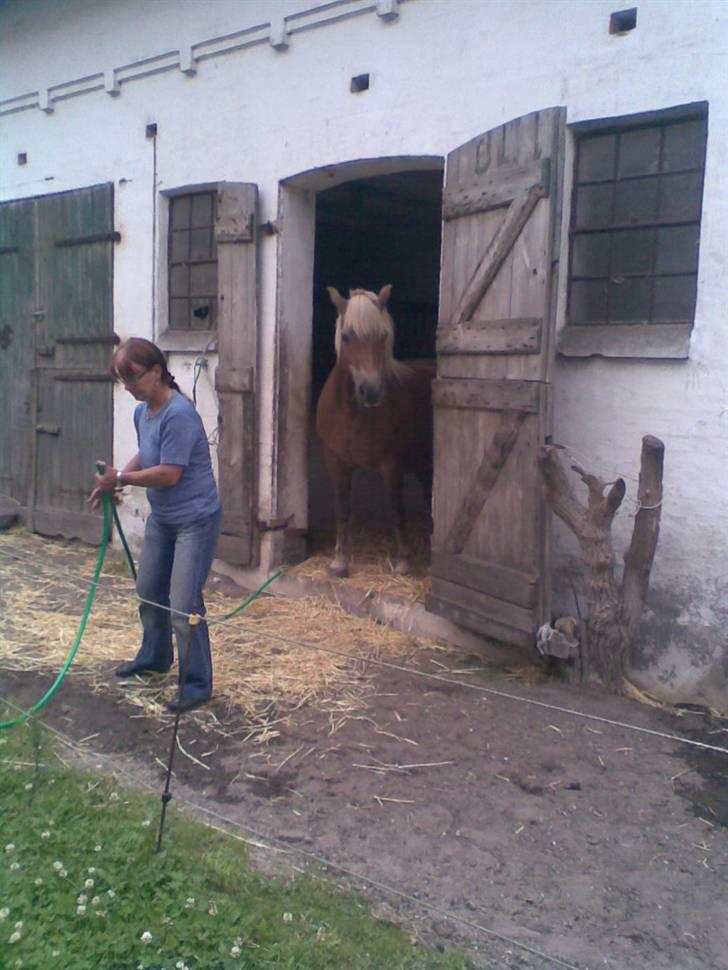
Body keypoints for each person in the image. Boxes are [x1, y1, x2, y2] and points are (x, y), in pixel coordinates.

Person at [89, 337, 221, 713]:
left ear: (157, 372)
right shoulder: (142, 411)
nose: (127, 387)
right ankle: (155, 657)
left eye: (131, 379)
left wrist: (123, 480)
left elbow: (169, 473)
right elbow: (148, 455)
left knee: (183, 604)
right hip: (163, 519)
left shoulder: (179, 413)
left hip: (195, 520)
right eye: (122, 380)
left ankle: (196, 684)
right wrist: (115, 479)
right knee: (148, 590)